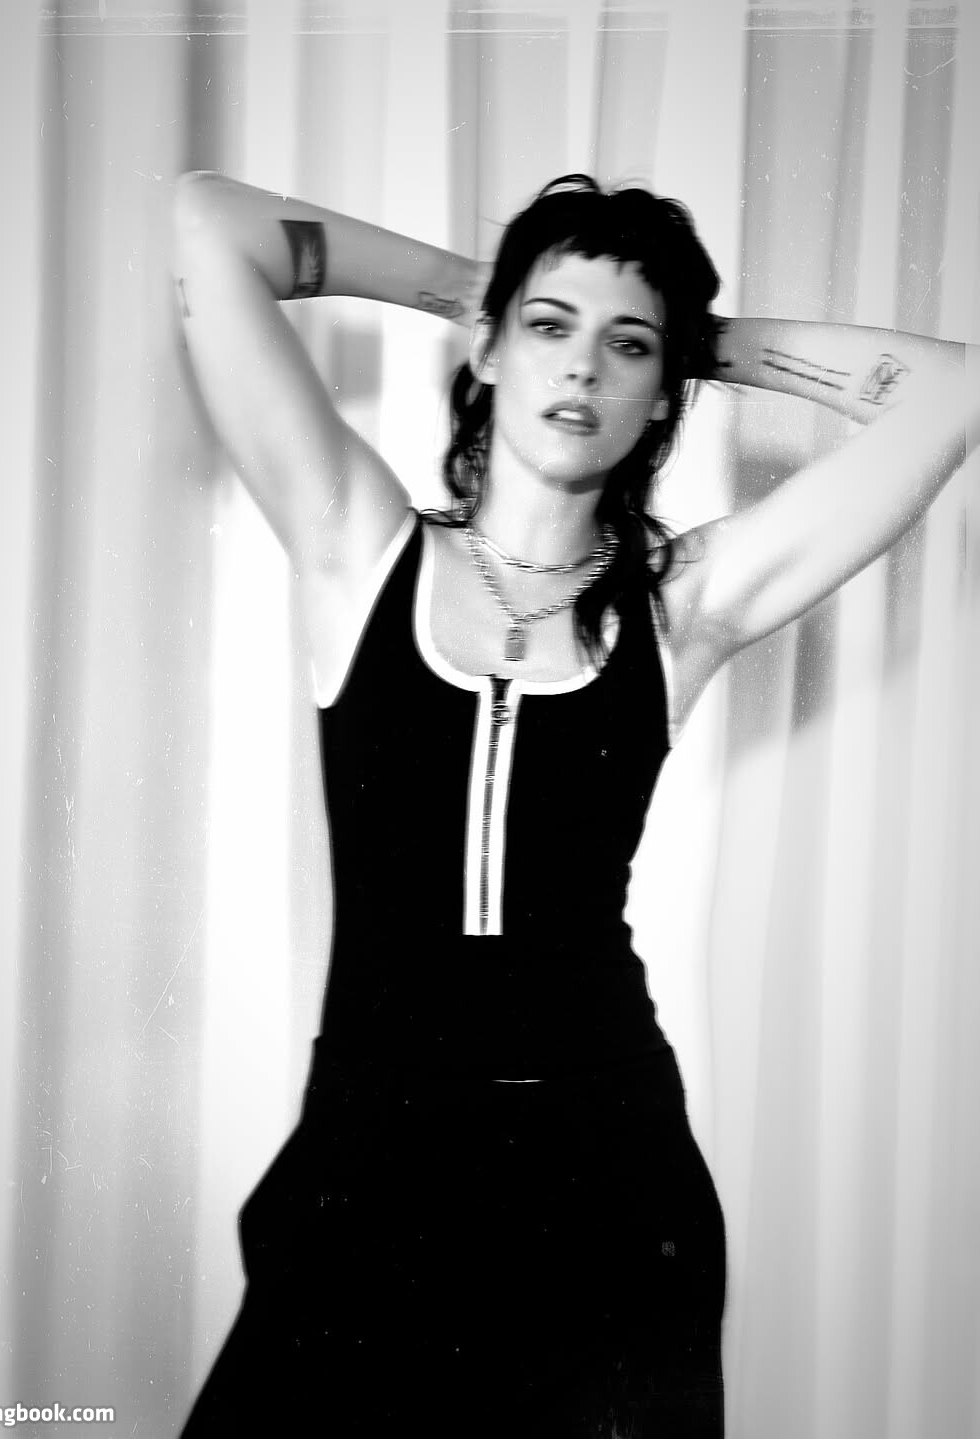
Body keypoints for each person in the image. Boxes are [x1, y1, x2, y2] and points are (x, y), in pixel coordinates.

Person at [170, 171, 977, 1437]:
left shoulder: (682, 606)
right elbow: (210, 227)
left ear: (664, 393)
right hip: (369, 1162)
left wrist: (698, 339)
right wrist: (475, 289)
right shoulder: (358, 547)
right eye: (549, 326)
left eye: (629, 347)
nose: (585, 366)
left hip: (605, 1177)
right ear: (489, 351)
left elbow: (952, 390)